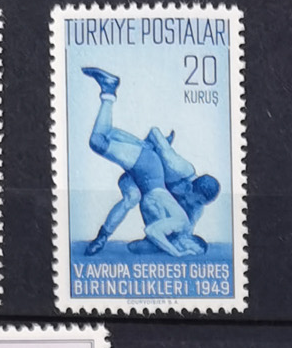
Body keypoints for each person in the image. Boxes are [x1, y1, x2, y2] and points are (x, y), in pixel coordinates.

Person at [79, 65, 220, 258]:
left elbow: (156, 238)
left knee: (132, 198)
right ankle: (108, 90)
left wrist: (172, 246)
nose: (196, 205)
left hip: (143, 182)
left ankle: (101, 238)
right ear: (191, 188)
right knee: (98, 141)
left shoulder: (194, 212)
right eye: (198, 200)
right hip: (148, 166)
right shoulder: (178, 167)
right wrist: (143, 145)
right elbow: (154, 132)